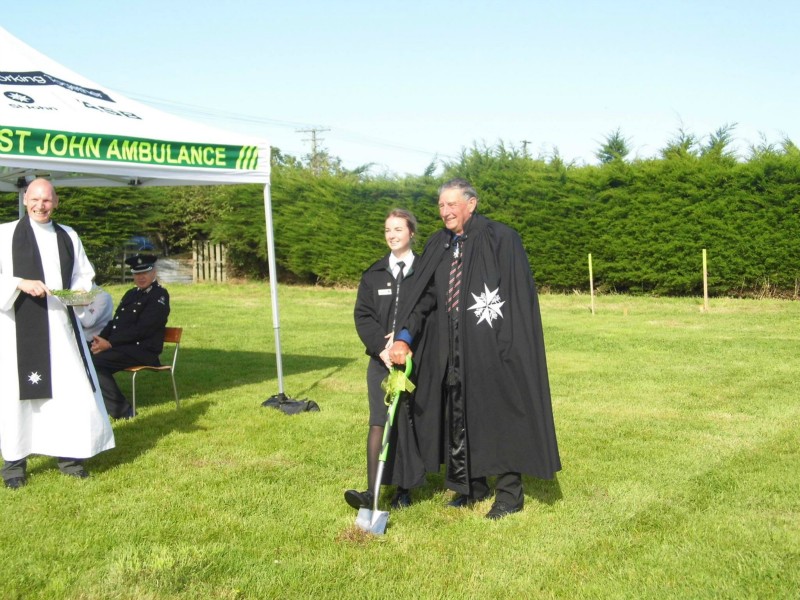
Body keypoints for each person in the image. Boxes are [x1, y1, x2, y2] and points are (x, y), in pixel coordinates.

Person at [389, 178, 561, 519]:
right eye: (440, 205)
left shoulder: (501, 239)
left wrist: (509, 344)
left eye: (452, 204)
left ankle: (509, 495)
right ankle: (470, 486)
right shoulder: (439, 244)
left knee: (499, 413)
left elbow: (517, 296)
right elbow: (424, 297)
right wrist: (405, 335)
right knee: (458, 414)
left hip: (491, 345)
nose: (445, 211)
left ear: (472, 204)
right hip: (448, 347)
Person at [0, 178, 115, 489]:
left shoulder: (68, 236)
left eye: (47, 200)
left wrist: (71, 294)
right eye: (35, 199)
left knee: (68, 393)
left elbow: (84, 279)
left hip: (60, 329)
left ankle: (69, 457)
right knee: (17, 398)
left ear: (56, 202)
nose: (40, 206)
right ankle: (14, 466)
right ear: (25, 200)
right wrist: (18, 284)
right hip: (17, 331)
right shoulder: (5, 234)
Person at [346, 209, 427, 511]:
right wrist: (380, 348)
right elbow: (363, 315)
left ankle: (404, 489)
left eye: (398, 229)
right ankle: (373, 492)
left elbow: (426, 313)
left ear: (411, 233)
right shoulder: (374, 274)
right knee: (378, 422)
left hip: (411, 361)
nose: (392, 235)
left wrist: (405, 344)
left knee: (405, 422)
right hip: (380, 361)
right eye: (387, 230)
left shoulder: (422, 273)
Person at [91, 254, 170, 419]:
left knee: (94, 364)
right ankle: (94, 406)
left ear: (154, 272)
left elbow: (144, 329)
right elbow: (115, 322)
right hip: (124, 348)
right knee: (85, 359)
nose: (141, 277)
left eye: (145, 273)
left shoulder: (159, 296)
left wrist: (110, 343)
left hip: (143, 351)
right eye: (136, 274)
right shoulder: (130, 294)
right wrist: (100, 339)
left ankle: (124, 411)